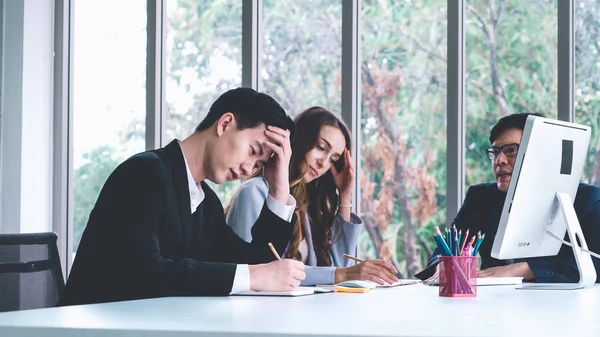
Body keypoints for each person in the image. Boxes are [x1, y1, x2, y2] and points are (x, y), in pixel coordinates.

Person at [58, 88, 306, 306]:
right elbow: (144, 273)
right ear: (225, 123)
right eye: (253, 151)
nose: (247, 169)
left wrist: (279, 188)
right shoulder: (144, 174)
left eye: (257, 166)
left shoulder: (205, 202)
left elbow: (255, 265)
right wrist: (255, 275)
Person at [225, 106, 398, 285]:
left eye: (333, 159)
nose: (324, 163)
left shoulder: (304, 204)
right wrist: (341, 274)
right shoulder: (254, 192)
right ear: (299, 140)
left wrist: (344, 196)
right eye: (320, 147)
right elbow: (253, 271)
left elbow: (337, 265)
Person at [423, 112, 600, 283]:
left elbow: (596, 263)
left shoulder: (587, 200)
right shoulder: (480, 198)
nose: (499, 160)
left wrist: (523, 269)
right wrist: (442, 265)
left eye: (511, 150)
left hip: (567, 308)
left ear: (542, 155)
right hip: (496, 306)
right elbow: (445, 250)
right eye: (495, 152)